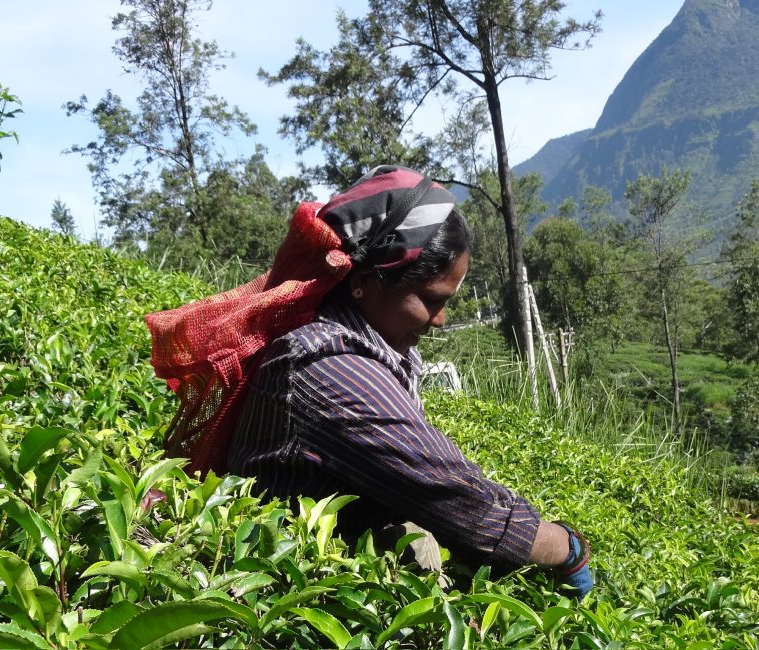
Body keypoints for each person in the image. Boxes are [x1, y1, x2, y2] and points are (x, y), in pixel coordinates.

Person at [146, 165, 592, 598]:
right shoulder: (328, 367)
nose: (441, 320)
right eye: (431, 300)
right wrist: (566, 548)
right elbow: (459, 500)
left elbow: (441, 470)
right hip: (283, 585)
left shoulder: (368, 345)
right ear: (362, 283)